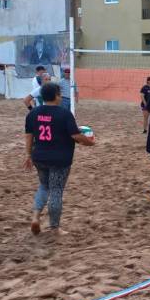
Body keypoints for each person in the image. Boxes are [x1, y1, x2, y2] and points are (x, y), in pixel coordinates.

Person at [24, 82, 95, 235]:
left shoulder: (33, 113)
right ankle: (54, 227)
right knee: (56, 190)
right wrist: (89, 142)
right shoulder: (64, 114)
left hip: (39, 157)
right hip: (60, 158)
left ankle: (35, 217)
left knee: (44, 186)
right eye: (60, 94)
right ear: (56, 95)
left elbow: (29, 136)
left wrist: (28, 155)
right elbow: (76, 135)